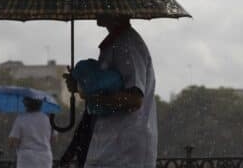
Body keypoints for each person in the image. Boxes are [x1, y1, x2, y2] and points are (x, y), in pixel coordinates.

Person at [64, 15, 157, 168]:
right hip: (110, 147)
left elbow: (134, 100)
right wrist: (80, 86)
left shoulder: (127, 45)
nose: (95, 11)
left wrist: (89, 93)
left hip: (124, 151)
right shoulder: (115, 43)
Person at [9, 97, 57, 168]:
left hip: (27, 158)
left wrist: (11, 141)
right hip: (44, 157)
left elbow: (13, 141)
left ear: (26, 104)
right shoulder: (47, 119)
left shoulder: (21, 118)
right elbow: (54, 139)